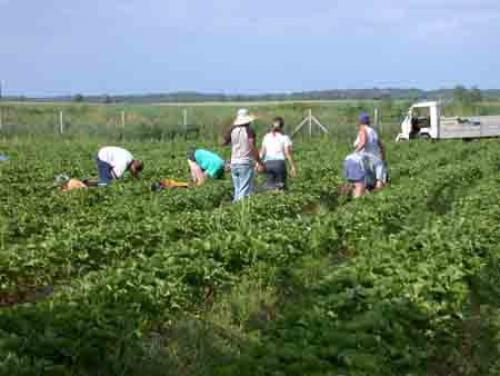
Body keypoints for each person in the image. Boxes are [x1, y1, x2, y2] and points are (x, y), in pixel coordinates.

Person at [222, 109, 265, 202]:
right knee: (244, 191)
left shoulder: (233, 131)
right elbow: (252, 146)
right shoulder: (249, 131)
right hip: (245, 163)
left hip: (234, 163)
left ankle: (233, 210)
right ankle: (240, 212)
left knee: (238, 190)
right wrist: (259, 161)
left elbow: (222, 142)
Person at [260, 116, 296, 191]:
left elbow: (262, 152)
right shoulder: (285, 137)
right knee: (281, 186)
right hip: (279, 164)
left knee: (270, 186)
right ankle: (280, 199)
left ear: (272, 125)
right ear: (282, 126)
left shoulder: (266, 136)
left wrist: (258, 163)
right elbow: (287, 153)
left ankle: (271, 200)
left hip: (268, 164)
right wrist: (293, 167)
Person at [353, 113, 387, 191]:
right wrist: (383, 157)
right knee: (379, 180)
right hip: (377, 158)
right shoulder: (373, 131)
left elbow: (363, 142)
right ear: (369, 122)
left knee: (367, 182)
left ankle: (364, 194)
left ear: (360, 122)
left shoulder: (363, 130)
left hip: (367, 158)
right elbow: (381, 145)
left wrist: (354, 153)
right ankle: (379, 194)